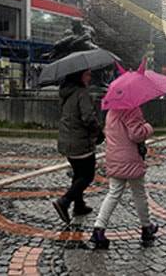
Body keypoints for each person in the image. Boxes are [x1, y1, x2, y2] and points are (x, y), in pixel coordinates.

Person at [90, 107, 157, 249]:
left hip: (114, 158)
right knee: (139, 193)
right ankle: (146, 227)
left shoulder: (111, 111)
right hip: (130, 159)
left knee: (113, 193)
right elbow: (136, 135)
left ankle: (99, 228)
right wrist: (147, 127)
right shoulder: (132, 110)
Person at [53, 69, 103, 223]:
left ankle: (79, 205)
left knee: (77, 174)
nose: (89, 77)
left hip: (67, 142)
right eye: (87, 74)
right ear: (79, 76)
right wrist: (99, 132)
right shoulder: (82, 93)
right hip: (80, 142)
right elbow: (87, 117)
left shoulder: (66, 92)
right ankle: (65, 201)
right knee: (87, 175)